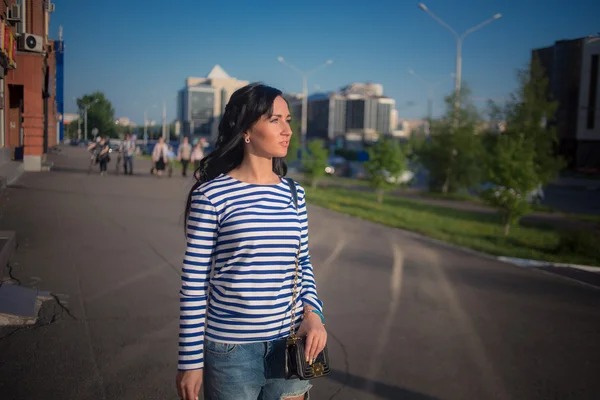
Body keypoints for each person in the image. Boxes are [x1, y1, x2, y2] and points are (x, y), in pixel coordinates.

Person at [176, 83, 326, 400]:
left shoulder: (294, 194)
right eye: (275, 120)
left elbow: (303, 263)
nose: (287, 130)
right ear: (246, 129)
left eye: (288, 120)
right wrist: (190, 361)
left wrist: (313, 315)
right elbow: (193, 282)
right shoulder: (212, 195)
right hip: (231, 351)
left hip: (289, 344)